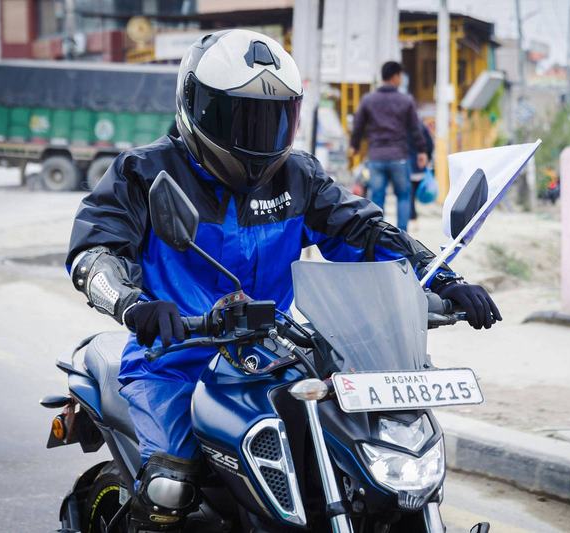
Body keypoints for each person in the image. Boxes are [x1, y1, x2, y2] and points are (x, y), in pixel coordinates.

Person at [66, 30, 500, 532]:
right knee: (169, 485)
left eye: (272, 120)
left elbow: (364, 232)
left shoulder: (298, 177)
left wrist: (442, 277)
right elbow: (93, 252)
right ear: (196, 107)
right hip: (175, 357)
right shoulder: (144, 173)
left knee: (351, 459)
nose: (258, 137)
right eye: (241, 118)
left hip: (274, 358)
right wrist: (134, 305)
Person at [348, 61, 428, 231]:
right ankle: (402, 237)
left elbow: (358, 125)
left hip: (376, 157)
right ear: (395, 76)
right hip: (399, 157)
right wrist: (422, 151)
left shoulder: (368, 100)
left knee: (376, 198)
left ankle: (377, 236)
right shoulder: (405, 100)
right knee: (403, 197)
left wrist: (354, 145)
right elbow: (415, 128)